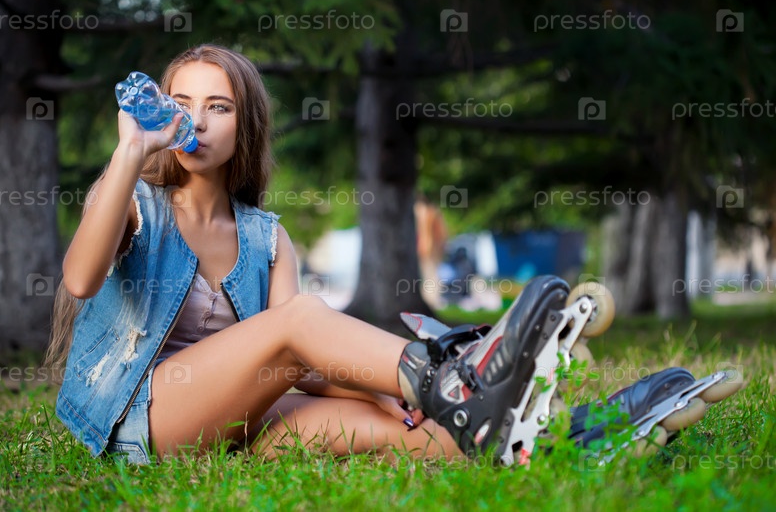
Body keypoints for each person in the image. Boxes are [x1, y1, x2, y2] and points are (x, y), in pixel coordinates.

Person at [44, 44, 553, 466]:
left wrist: (377, 389)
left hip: (235, 419)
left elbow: (298, 361)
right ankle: (452, 376)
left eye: (219, 107)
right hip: (141, 420)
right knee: (301, 316)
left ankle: (556, 438)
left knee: (398, 426)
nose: (195, 121)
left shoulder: (266, 238)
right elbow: (80, 280)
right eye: (182, 102)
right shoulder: (132, 200)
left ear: (245, 125)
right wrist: (131, 150)